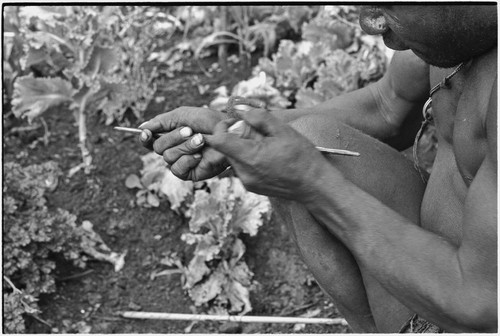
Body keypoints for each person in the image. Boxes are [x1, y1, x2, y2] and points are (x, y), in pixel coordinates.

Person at [139, 5, 497, 333]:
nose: (369, 23)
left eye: (385, 5)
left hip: (472, 299)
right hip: (440, 275)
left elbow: (482, 300)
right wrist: (237, 130)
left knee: (311, 161)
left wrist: (312, 181)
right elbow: (387, 106)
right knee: (312, 139)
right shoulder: (451, 32)